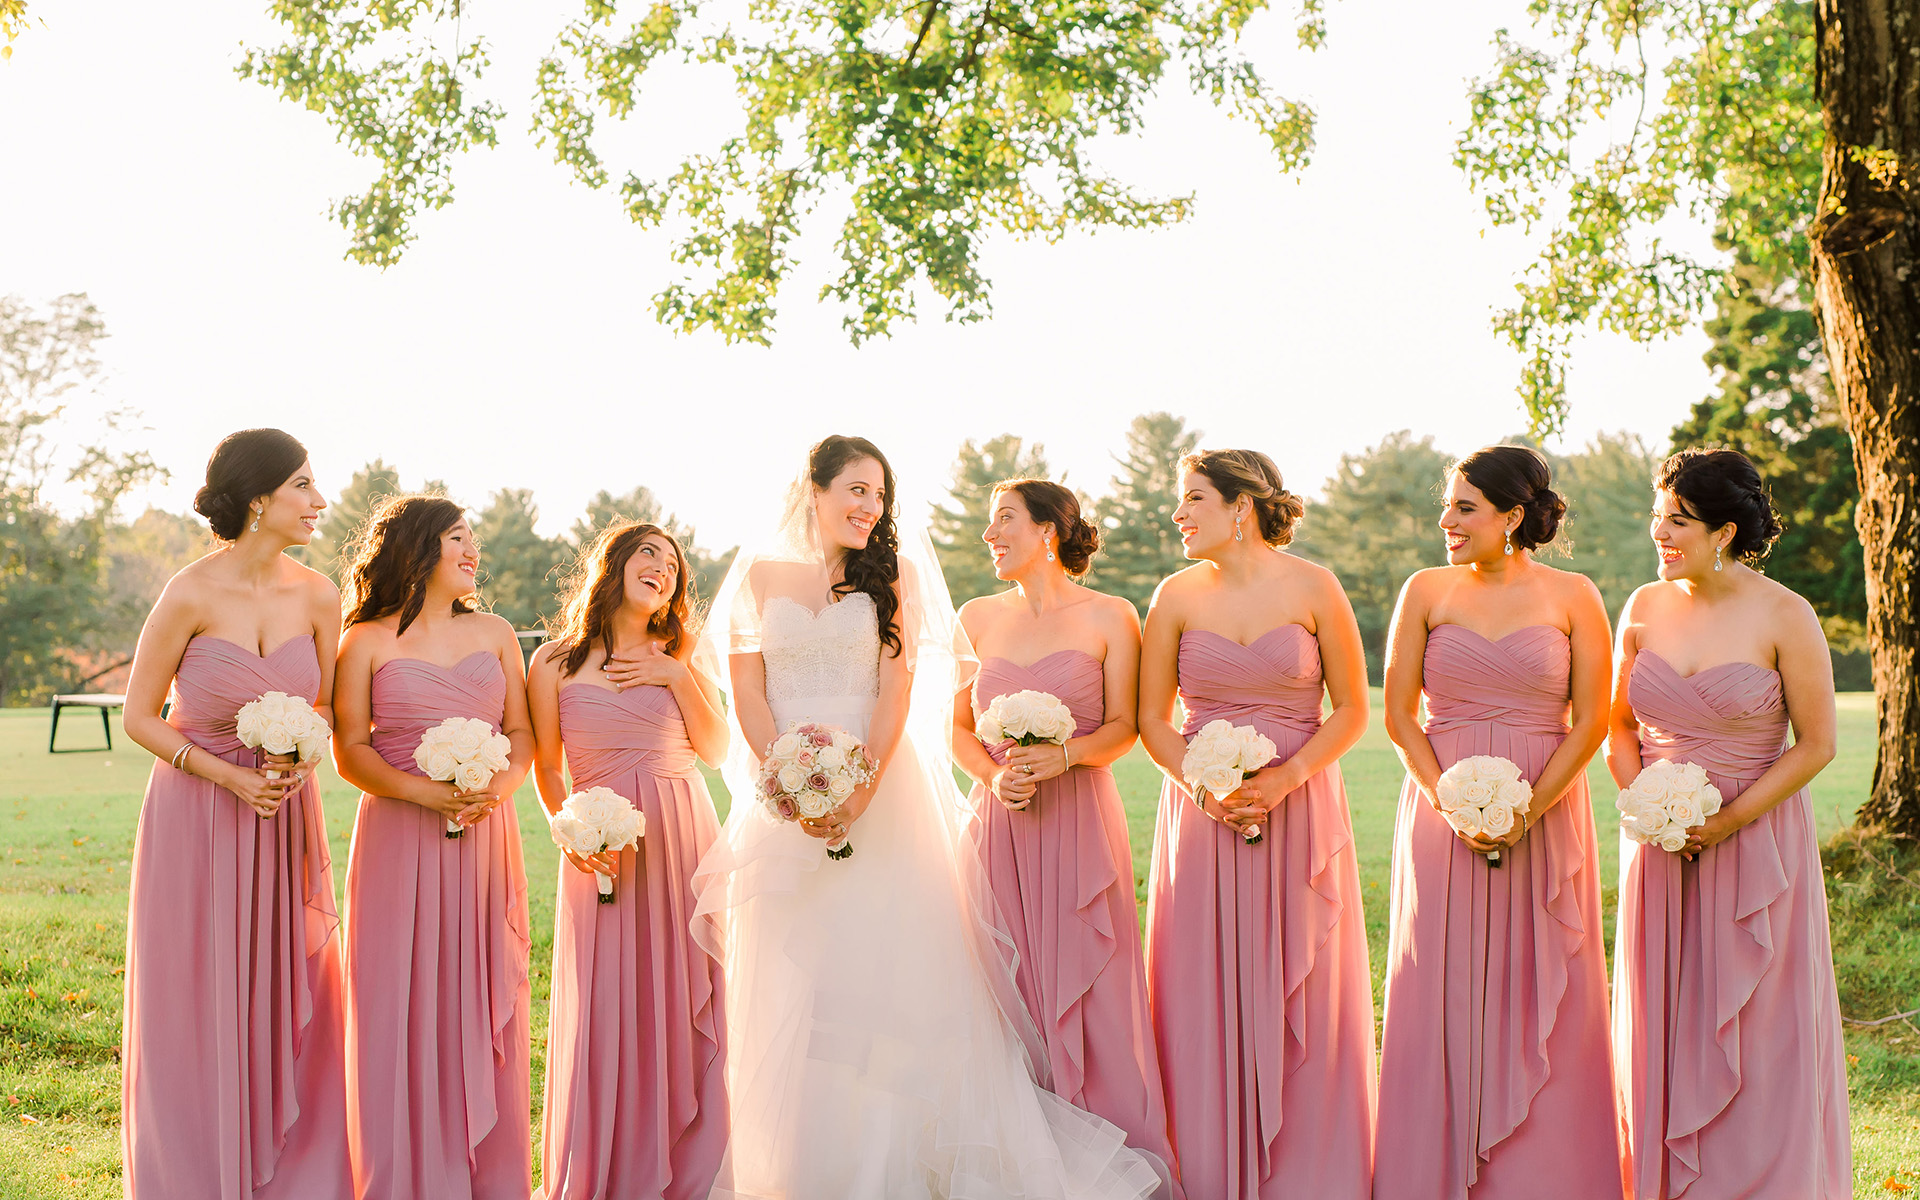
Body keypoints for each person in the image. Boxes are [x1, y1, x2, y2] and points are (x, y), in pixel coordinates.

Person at [692, 434, 1167, 1199]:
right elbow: (746, 689)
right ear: (814, 488)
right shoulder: (757, 576)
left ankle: (898, 1165)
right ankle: (804, 1167)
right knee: (792, 978)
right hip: (787, 790)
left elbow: (895, 693)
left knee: (891, 972)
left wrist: (858, 789)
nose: (869, 506)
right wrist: (786, 774)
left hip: (883, 789)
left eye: (879, 494)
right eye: (856, 489)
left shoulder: (896, 575)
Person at [1372, 444, 1627, 1198]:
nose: (1445, 521)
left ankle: (1548, 1178)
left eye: (1464, 508)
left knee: (1544, 982)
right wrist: (1448, 799)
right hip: (1441, 811)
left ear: (1512, 516)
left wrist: (1528, 810)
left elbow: (1593, 720)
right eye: (1446, 506)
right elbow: (1398, 715)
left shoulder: (1574, 595)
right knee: (1438, 984)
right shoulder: (1425, 590)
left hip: (1545, 807)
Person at [1608, 448, 1850, 1198]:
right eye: (1658, 516)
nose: (1659, 532)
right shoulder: (1643, 606)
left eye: (1677, 520)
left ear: (1724, 531)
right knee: (1663, 1015)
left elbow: (1817, 744)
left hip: (1756, 841)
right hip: (1659, 845)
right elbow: (1617, 727)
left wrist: (1728, 820)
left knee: (1761, 1024)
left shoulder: (1785, 613)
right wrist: (1648, 805)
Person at [120, 428, 351, 1199]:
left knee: (290, 983)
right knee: (194, 992)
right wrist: (226, 775)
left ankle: (296, 1174)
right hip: (196, 814)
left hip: (283, 811)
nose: (319, 501)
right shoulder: (188, 592)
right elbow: (139, 716)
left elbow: (325, 704)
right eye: (303, 485)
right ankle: (193, 1172)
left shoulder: (319, 595)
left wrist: (300, 751)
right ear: (258, 498)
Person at [1138, 448, 1375, 1198]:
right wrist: (1200, 786)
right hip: (1203, 815)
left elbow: (1353, 709)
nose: (1178, 513)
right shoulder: (1175, 595)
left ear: (1240, 506)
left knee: (1304, 988)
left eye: (1193, 499)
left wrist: (1285, 779)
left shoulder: (1315, 586)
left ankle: (1312, 1174)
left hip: (1299, 809)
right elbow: (1152, 718)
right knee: (1200, 991)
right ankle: (1208, 1169)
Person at [952, 478, 1181, 1192]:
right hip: (1000, 823)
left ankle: (1107, 1149)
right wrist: (993, 776)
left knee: (1092, 980)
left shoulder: (1112, 615)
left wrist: (1068, 755)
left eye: (1004, 520)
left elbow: (1124, 727)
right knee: (1000, 981)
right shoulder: (975, 618)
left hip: (1080, 816)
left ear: (1048, 530)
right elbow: (956, 729)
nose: (990, 534)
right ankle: (1014, 1158)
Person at [332, 495, 534, 1200]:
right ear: (419, 548)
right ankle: (402, 1178)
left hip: (485, 834)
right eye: (458, 538)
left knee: (479, 994)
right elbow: (350, 750)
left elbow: (522, 734)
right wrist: (423, 794)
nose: (473, 550)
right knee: (397, 1002)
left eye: (473, 538)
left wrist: (498, 787)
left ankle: (489, 1179)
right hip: (398, 833)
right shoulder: (365, 640)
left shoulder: (497, 633)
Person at [526, 521, 730, 1200]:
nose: (663, 568)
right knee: (606, 1001)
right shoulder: (553, 662)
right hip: (600, 851)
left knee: (685, 992)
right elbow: (547, 766)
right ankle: (609, 1166)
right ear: (613, 563)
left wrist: (676, 674)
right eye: (649, 553)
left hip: (681, 838)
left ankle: (693, 1167)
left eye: (674, 564)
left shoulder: (682, 651)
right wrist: (570, 832)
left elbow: (716, 749)